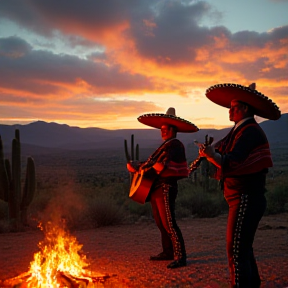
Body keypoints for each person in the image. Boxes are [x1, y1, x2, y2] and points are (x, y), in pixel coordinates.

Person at [198, 83, 281, 287]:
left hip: (246, 196)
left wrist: (212, 156)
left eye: (234, 106)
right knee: (242, 247)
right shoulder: (241, 130)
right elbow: (226, 157)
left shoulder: (250, 131)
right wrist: (212, 156)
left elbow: (233, 160)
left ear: (245, 108)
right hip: (242, 196)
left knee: (235, 248)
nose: (230, 110)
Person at [127, 107, 199, 269]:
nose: (163, 131)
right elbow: (154, 164)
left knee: (169, 223)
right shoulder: (166, 146)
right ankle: (168, 252)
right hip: (156, 188)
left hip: (166, 187)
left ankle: (180, 256)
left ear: (173, 130)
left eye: (166, 129)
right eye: (162, 129)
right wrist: (139, 165)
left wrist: (140, 167)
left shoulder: (174, 145)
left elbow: (160, 165)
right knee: (161, 222)